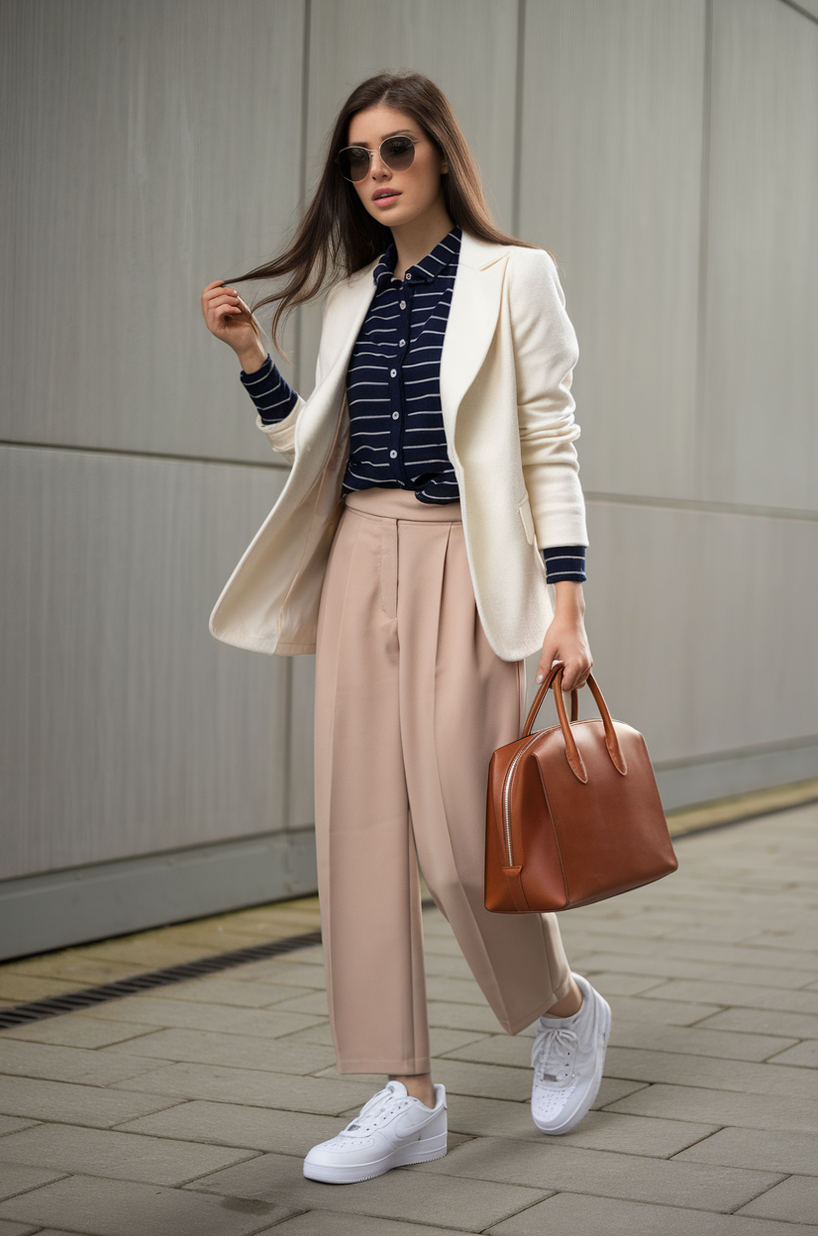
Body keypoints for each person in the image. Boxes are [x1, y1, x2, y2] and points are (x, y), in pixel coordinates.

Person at [200, 70, 610, 1185]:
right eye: (356, 158)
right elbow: (312, 451)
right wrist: (252, 362)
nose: (374, 173)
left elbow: (548, 448)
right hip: (356, 558)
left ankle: (563, 1007)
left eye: (394, 151)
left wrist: (567, 606)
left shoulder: (515, 278)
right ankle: (406, 1090)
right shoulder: (342, 299)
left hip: (464, 566)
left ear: (439, 156)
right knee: (359, 832)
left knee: (459, 834)